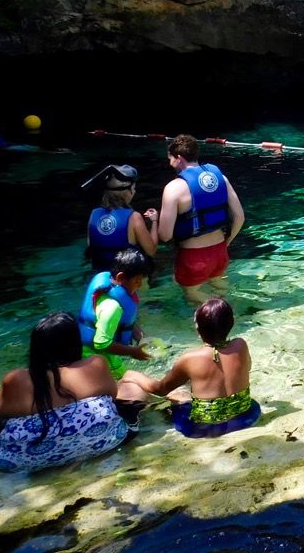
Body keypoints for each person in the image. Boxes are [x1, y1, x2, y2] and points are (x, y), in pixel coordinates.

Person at [0, 312, 131, 472]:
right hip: (102, 443)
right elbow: (113, 397)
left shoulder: (16, 378)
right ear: (74, 342)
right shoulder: (96, 364)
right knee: (131, 384)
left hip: (24, 462)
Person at [122, 297, 261, 437]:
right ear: (231, 323)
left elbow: (161, 389)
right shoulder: (241, 345)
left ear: (197, 328)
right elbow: (246, 368)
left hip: (205, 427)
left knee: (176, 395)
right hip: (244, 417)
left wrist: (133, 375)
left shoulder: (190, 359)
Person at [158, 134, 245, 305]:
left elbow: (165, 235)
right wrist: (227, 242)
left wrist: (154, 221)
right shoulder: (220, 178)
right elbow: (240, 217)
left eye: (170, 159)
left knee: (195, 298)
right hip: (220, 251)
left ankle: (219, 315)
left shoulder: (173, 188)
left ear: (179, 158)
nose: (170, 164)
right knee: (220, 287)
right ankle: (231, 316)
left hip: (193, 257)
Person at [79, 248, 153, 377]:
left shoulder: (109, 283)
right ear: (120, 277)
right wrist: (132, 352)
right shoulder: (112, 307)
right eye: (137, 280)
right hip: (95, 355)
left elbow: (125, 322)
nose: (140, 285)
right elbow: (101, 343)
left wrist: (142, 338)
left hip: (86, 348)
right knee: (129, 380)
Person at [83, 163, 158, 272]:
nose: (135, 191)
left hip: (100, 277)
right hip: (125, 281)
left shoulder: (94, 214)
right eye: (134, 188)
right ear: (128, 192)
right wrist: (154, 221)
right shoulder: (134, 217)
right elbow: (151, 251)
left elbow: (92, 247)